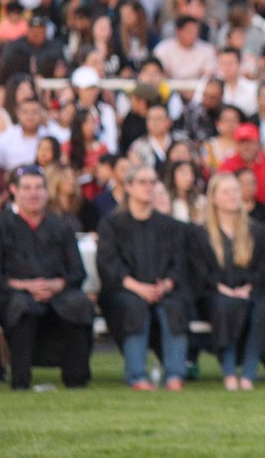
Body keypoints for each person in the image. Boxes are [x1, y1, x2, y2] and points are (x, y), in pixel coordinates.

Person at [0, 165, 94, 390]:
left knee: (79, 303)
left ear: (47, 191)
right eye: (27, 188)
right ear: (14, 190)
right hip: (13, 294)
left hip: (57, 293)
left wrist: (56, 284)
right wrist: (25, 286)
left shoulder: (61, 226)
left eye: (39, 188)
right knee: (22, 306)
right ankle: (20, 378)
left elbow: (77, 272)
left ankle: (76, 379)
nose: (34, 194)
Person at [96, 165, 191, 390]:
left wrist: (167, 284)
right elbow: (108, 265)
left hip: (164, 291)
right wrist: (138, 287)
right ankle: (137, 376)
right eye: (142, 182)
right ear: (128, 187)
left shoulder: (169, 226)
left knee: (175, 307)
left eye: (152, 182)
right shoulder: (112, 224)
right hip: (125, 291)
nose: (149, 187)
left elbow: (179, 263)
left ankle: (175, 375)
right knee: (133, 307)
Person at [192, 173, 265, 391]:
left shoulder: (257, 231)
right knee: (225, 307)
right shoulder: (200, 234)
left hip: (250, 292)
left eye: (236, 190)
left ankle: (248, 375)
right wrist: (221, 289)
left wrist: (248, 287)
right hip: (214, 294)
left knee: (261, 309)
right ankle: (229, 374)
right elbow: (198, 270)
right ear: (213, 198)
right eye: (226, 191)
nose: (233, 196)